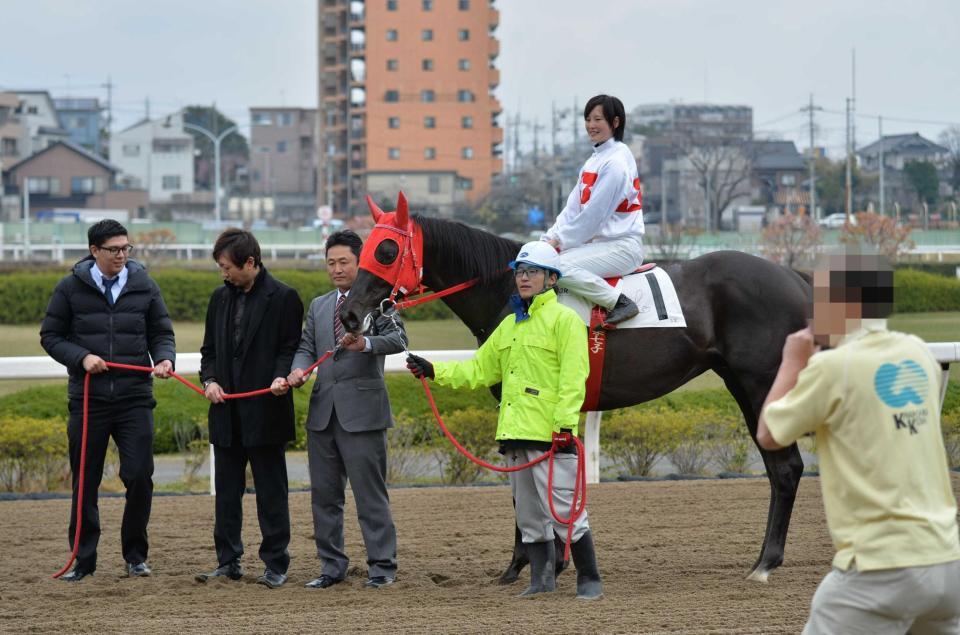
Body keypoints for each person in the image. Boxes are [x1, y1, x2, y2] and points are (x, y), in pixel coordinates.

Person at [757, 250, 960, 633]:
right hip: (947, 565)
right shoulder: (917, 352)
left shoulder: (833, 367)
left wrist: (792, 359)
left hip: (879, 570)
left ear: (843, 304)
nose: (810, 310)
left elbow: (769, 434)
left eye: (817, 298)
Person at [406, 241, 602, 600]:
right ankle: (541, 580)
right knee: (528, 516)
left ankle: (589, 578)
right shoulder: (510, 325)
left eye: (532, 272)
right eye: (520, 272)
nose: (523, 278)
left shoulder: (566, 321)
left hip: (550, 436)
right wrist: (434, 370)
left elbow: (574, 381)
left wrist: (563, 426)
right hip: (513, 433)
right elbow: (479, 370)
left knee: (563, 510)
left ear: (551, 279)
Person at [40, 220, 176, 581]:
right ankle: (83, 560)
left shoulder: (144, 284)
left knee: (140, 476)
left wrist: (165, 358)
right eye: (114, 249)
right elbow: (50, 336)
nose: (122, 255)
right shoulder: (69, 288)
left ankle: (135, 556)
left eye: (126, 248)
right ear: (94, 251)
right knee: (85, 481)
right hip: (89, 400)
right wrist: (81, 357)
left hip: (135, 398)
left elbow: (162, 332)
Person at [286, 230, 407, 590]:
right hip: (323, 413)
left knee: (370, 496)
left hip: (363, 413)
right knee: (324, 497)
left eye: (344, 262)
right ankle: (331, 566)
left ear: (359, 263)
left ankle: (382, 566)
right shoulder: (320, 305)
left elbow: (399, 340)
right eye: (331, 263)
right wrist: (298, 369)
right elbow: (306, 346)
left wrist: (366, 343)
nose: (337, 269)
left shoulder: (380, 301)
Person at [195, 229, 304, 589]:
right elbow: (208, 351)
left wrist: (280, 377)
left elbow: (289, 349)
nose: (223, 273)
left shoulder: (285, 297)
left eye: (227, 267)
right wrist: (209, 381)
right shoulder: (218, 299)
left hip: (267, 411)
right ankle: (228, 561)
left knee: (272, 492)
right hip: (226, 413)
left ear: (251, 263)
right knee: (226, 493)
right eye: (220, 267)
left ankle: (275, 564)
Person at [541, 94, 645, 326]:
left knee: (556, 267)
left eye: (597, 119)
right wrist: (547, 240)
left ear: (615, 123)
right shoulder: (595, 159)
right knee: (544, 260)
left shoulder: (616, 163)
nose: (591, 125)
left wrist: (558, 243)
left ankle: (619, 302)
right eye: (588, 119)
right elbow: (572, 209)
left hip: (622, 247)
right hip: (598, 245)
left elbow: (593, 218)